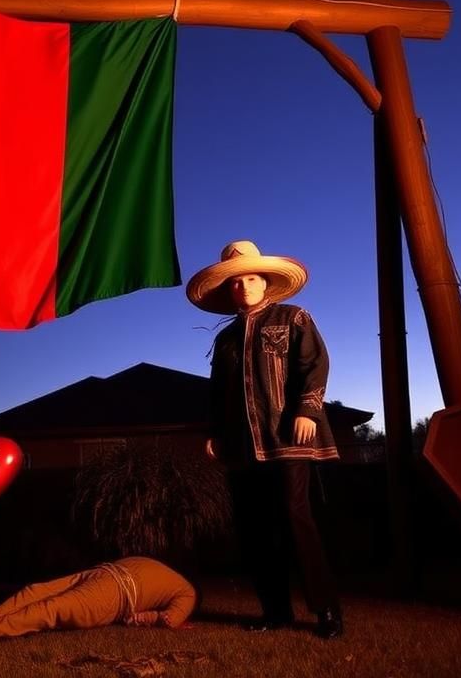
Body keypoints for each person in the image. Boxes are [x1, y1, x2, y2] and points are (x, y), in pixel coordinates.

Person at [186, 240, 343, 639]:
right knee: (254, 526)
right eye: (236, 282)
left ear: (265, 282)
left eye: (251, 278)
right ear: (229, 289)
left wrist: (308, 409)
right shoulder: (225, 340)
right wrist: (215, 433)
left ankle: (326, 610)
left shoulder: (293, 318)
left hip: (288, 435)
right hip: (241, 444)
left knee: (295, 517)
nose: (244, 287)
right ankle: (275, 611)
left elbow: (314, 364)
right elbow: (217, 392)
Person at [0, 556, 196, 647]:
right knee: (36, 590)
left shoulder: (188, 593)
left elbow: (169, 619)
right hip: (101, 573)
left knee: (54, 608)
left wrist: (144, 617)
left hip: (116, 595)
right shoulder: (175, 579)